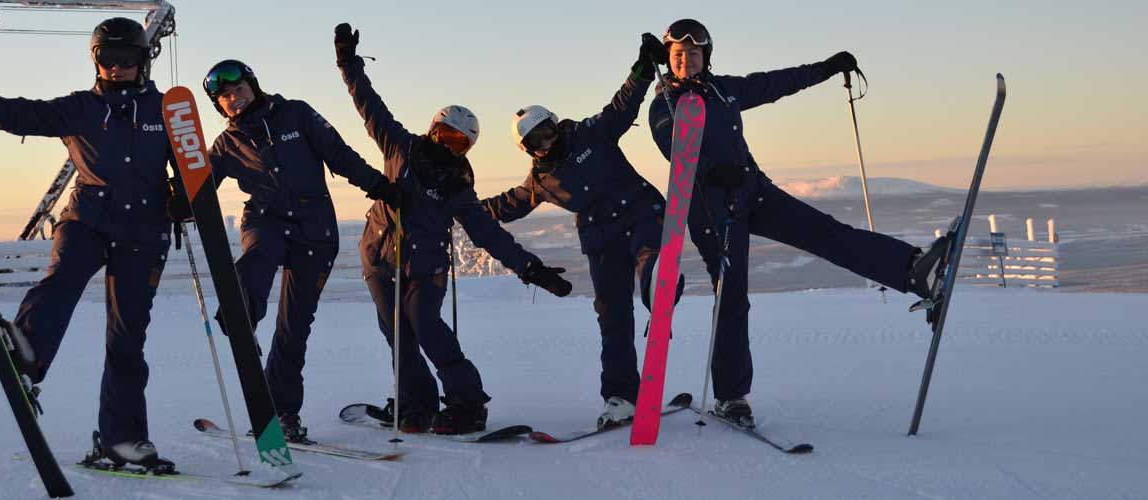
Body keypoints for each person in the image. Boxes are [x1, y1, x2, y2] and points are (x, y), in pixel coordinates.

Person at [647, 19, 948, 428]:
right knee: (733, 297)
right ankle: (731, 397)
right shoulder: (663, 104)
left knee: (826, 231)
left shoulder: (725, 89)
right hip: (713, 211)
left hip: (754, 191)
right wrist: (716, 170)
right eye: (678, 56)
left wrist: (825, 68)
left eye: (693, 54)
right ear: (668, 60)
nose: (686, 61)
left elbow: (775, 83)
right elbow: (674, 146)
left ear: (706, 57)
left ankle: (913, 271)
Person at [0, 17, 182, 469]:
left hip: (145, 231)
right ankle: (29, 347)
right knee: (63, 277)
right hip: (89, 217)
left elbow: (192, 167)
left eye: (126, 59)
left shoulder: (169, 110)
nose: (117, 68)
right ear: (95, 62)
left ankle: (123, 438)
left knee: (127, 339)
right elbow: (13, 112)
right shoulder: (77, 109)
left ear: (143, 60)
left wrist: (186, 199)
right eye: (107, 59)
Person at [334, 23, 573, 435]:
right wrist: (348, 64)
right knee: (397, 336)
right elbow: (369, 106)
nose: (448, 146)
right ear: (432, 129)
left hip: (425, 268)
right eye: (445, 135)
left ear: (467, 148)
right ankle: (416, 405)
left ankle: (468, 403)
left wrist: (532, 269)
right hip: (378, 259)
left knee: (426, 326)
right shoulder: (400, 147)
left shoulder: (457, 187)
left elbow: (489, 234)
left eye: (459, 143)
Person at [199, 59, 403, 443]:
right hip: (266, 220)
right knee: (258, 257)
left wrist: (379, 186)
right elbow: (201, 185)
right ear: (219, 105)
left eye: (238, 89)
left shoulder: (295, 113)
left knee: (293, 331)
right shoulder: (227, 144)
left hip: (316, 232)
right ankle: (242, 311)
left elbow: (340, 155)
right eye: (224, 96)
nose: (233, 98)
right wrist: (179, 199)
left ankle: (282, 414)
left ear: (253, 86)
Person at [480, 34, 676, 429]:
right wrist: (462, 209)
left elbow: (623, 104)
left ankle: (661, 284)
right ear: (527, 149)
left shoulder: (591, 133)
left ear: (556, 122)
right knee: (612, 316)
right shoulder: (541, 180)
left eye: (548, 130)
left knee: (649, 261)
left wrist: (641, 66)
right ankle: (620, 397)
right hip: (601, 241)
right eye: (536, 142)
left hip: (641, 215)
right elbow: (507, 205)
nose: (546, 142)